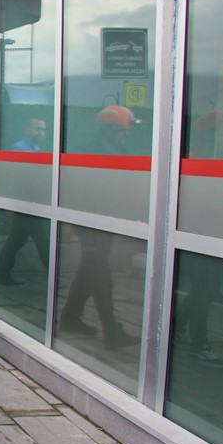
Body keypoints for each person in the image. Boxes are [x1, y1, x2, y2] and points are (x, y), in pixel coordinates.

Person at [57, 106, 141, 347]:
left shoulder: (121, 152)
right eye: (121, 131)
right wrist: (69, 221)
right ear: (107, 130)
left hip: (107, 220)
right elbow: (74, 188)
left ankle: (71, 317)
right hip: (90, 223)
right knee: (100, 273)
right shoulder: (88, 152)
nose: (125, 135)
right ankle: (112, 330)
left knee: (89, 268)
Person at [0, 117, 50, 286]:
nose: (40, 133)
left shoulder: (35, 149)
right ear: (27, 130)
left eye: (43, 129)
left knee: (17, 239)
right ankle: (54, 278)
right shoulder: (20, 149)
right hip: (25, 205)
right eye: (37, 129)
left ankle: (2, 275)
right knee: (42, 241)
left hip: (30, 204)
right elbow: (15, 180)